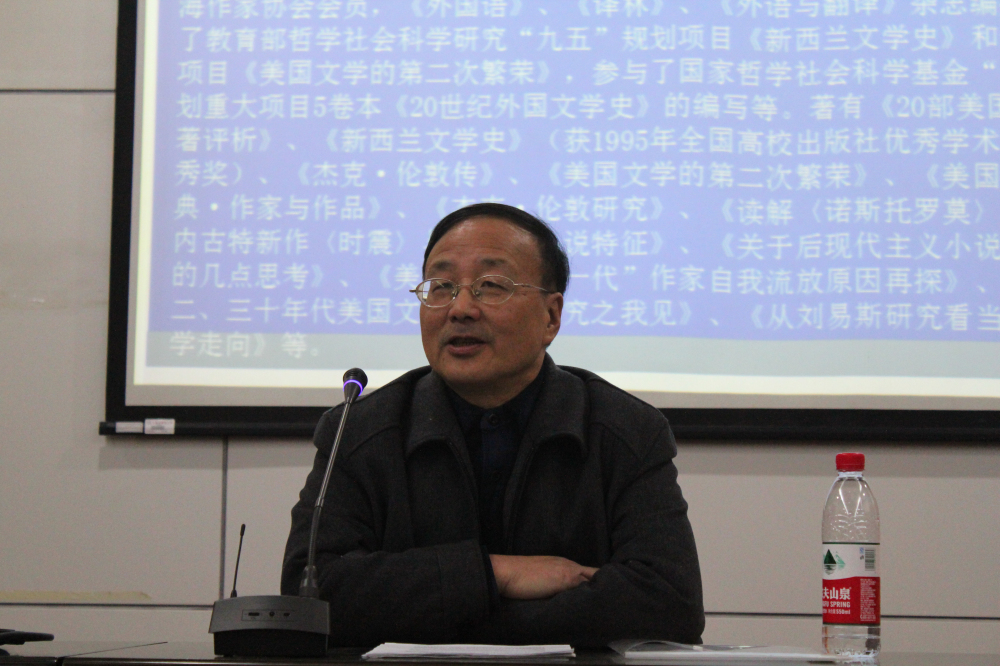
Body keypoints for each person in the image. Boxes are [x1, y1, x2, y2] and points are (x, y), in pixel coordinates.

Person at [281, 203, 704, 647]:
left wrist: (446, 615)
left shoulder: (625, 431)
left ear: (551, 317)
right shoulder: (359, 431)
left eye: (491, 286)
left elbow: (670, 604)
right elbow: (309, 594)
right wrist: (494, 574)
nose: (460, 308)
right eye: (442, 287)